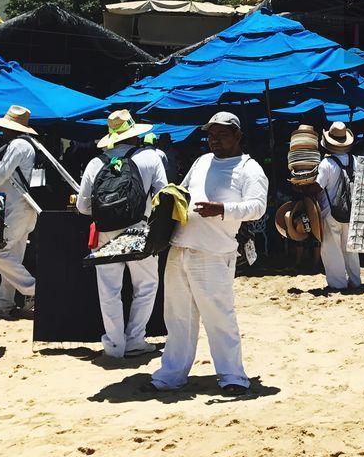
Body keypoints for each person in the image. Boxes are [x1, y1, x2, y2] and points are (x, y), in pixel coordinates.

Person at [152, 112, 268, 394]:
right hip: (181, 247)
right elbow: (184, 192)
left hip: (214, 253)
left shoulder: (249, 169)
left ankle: (232, 376)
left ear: (238, 136)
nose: (214, 140)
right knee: (178, 316)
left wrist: (224, 210)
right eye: (211, 135)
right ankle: (171, 375)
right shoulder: (202, 161)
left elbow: (257, 206)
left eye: (221, 134)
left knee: (219, 316)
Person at [77, 110, 169, 359]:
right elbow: (164, 195)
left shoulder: (96, 163)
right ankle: (136, 340)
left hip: (104, 233)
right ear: (135, 136)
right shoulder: (151, 158)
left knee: (109, 289)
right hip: (140, 229)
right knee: (146, 286)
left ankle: (114, 346)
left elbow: (83, 207)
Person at [0, 105, 42, 317]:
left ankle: (36, 289)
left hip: (17, 207)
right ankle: (3, 303)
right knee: (12, 258)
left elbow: (2, 174)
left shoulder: (17, 145)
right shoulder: (31, 145)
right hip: (27, 207)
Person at [316, 121, 362, 291]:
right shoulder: (355, 161)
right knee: (351, 248)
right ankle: (355, 281)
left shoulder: (326, 164)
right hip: (352, 211)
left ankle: (338, 284)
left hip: (331, 212)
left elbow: (318, 186)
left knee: (332, 249)